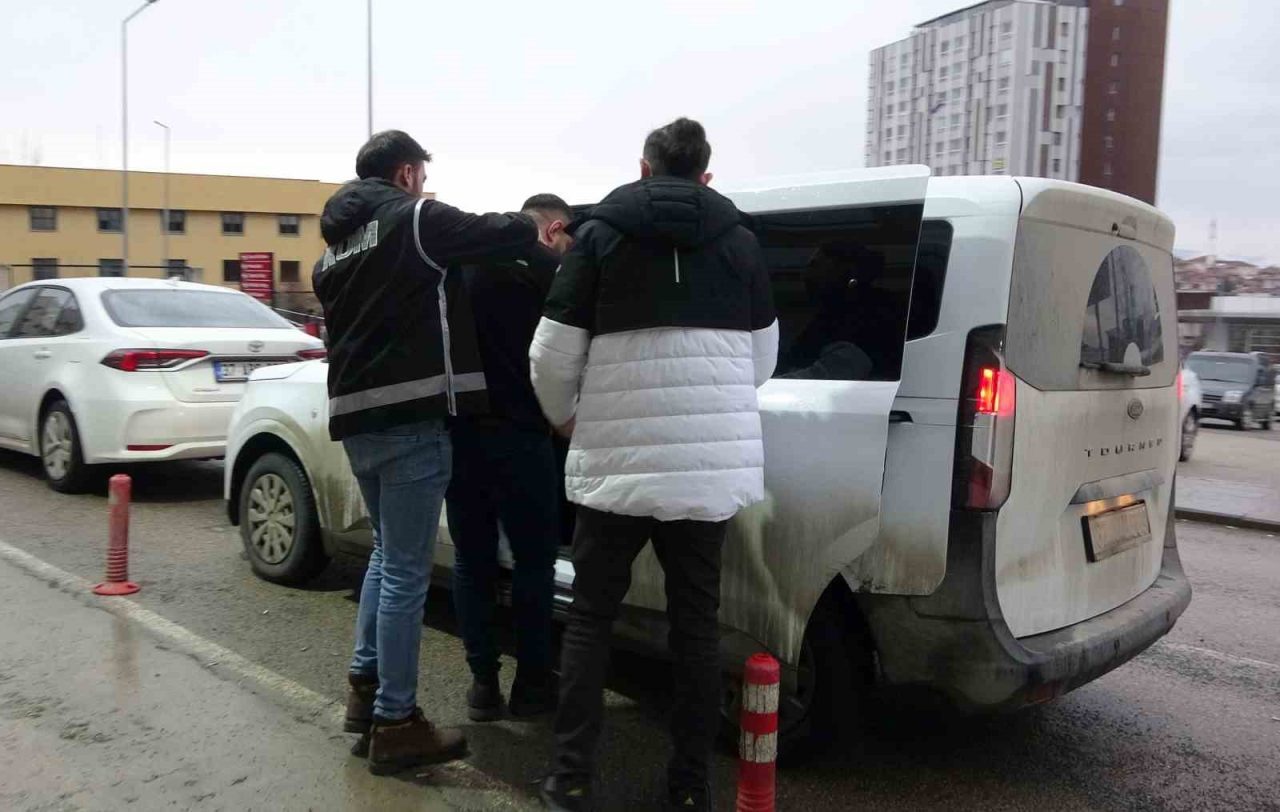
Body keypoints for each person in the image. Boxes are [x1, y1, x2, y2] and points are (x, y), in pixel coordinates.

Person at [529, 118, 779, 811]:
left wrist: (566, 417)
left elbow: (550, 354)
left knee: (591, 619)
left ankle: (571, 779)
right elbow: (763, 360)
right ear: (706, 175)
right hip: (705, 473)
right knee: (695, 628)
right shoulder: (741, 244)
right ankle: (690, 788)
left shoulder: (598, 238)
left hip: (616, 465)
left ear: (643, 168)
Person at [312, 129, 538, 776]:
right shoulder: (415, 219)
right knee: (407, 574)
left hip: (357, 421)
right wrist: (536, 225)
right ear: (407, 174)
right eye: (422, 177)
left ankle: (364, 689)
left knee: (387, 557)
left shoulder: (331, 255)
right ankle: (396, 721)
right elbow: (506, 233)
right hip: (412, 420)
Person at [444, 194, 575, 722]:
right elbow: (562, 354)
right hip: (524, 435)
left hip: (462, 436)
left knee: (471, 560)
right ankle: (532, 684)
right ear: (551, 229)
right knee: (534, 564)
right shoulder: (546, 269)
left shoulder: (458, 267)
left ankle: (482, 684)